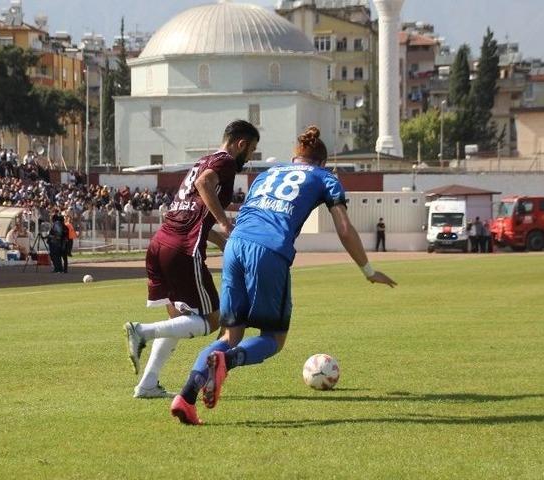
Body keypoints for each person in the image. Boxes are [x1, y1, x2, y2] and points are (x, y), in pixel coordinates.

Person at [170, 126, 396, 425]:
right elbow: (343, 227)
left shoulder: (267, 174)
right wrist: (368, 270)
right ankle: (228, 361)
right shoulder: (325, 178)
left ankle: (186, 397)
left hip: (236, 245)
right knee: (274, 338)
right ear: (322, 163)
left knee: (229, 335)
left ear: (294, 158)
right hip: (270, 249)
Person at [123, 120, 259, 399]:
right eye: (252, 150)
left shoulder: (203, 160)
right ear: (241, 144)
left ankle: (148, 384)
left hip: (161, 243)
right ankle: (142, 332)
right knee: (211, 320)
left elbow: (193, 214)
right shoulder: (225, 163)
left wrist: (222, 241)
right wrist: (224, 222)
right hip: (182, 249)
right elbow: (204, 183)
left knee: (178, 319)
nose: (250, 157)